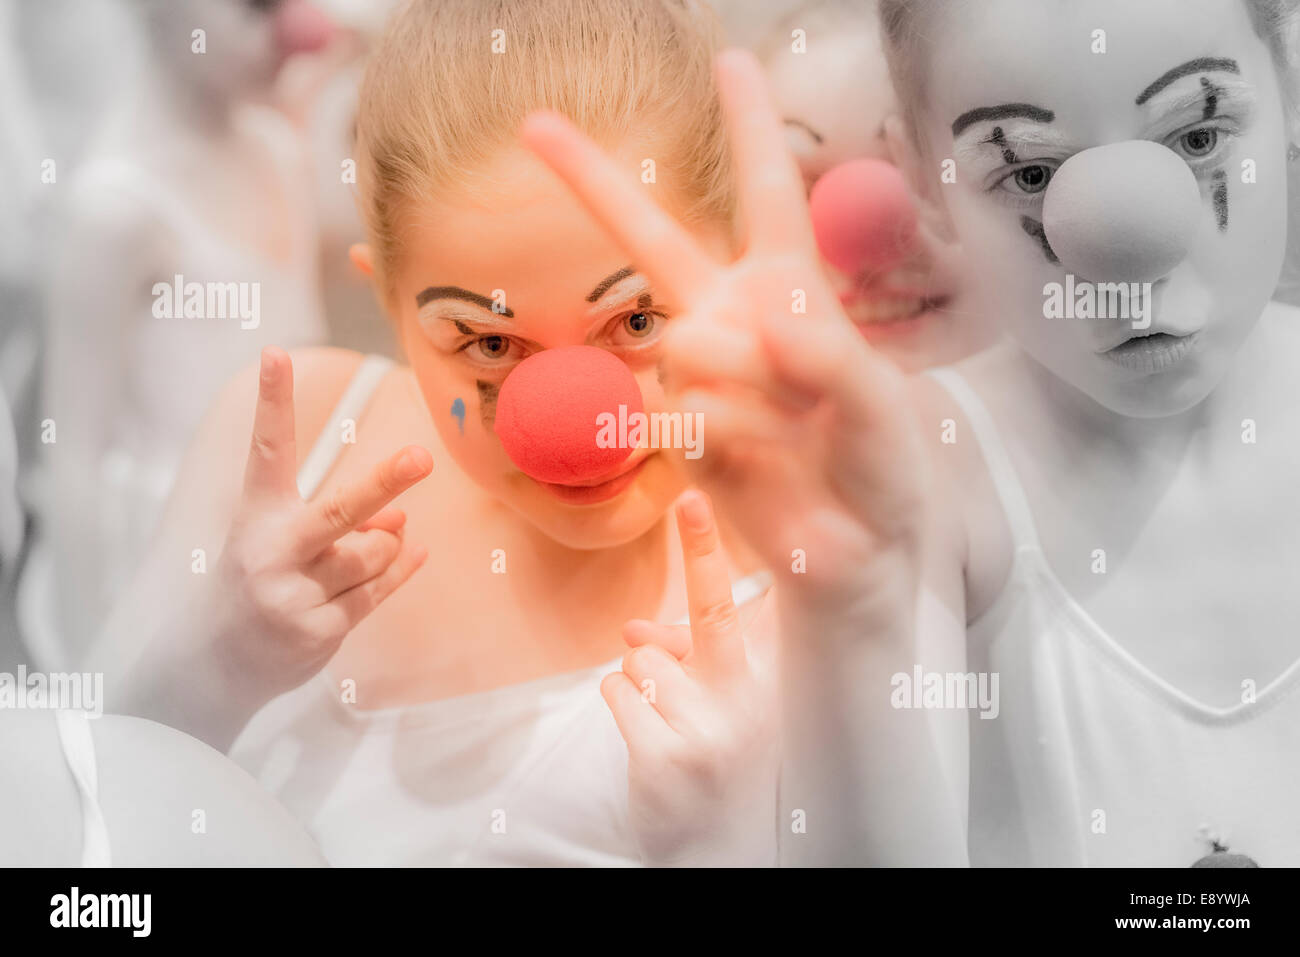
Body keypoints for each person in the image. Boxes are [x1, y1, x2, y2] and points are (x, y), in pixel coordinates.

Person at [526, 0, 1300, 865]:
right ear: (926, 184)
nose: (1130, 252)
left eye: (1197, 136)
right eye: (1032, 175)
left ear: (1292, 92)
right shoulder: (925, 474)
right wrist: (852, 613)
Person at [89, 0, 778, 867]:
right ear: (389, 303)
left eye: (639, 320)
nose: (583, 425)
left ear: (737, 253)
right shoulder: (291, 441)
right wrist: (216, 664)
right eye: (489, 343)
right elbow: (70, 812)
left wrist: (727, 839)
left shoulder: (810, 561)